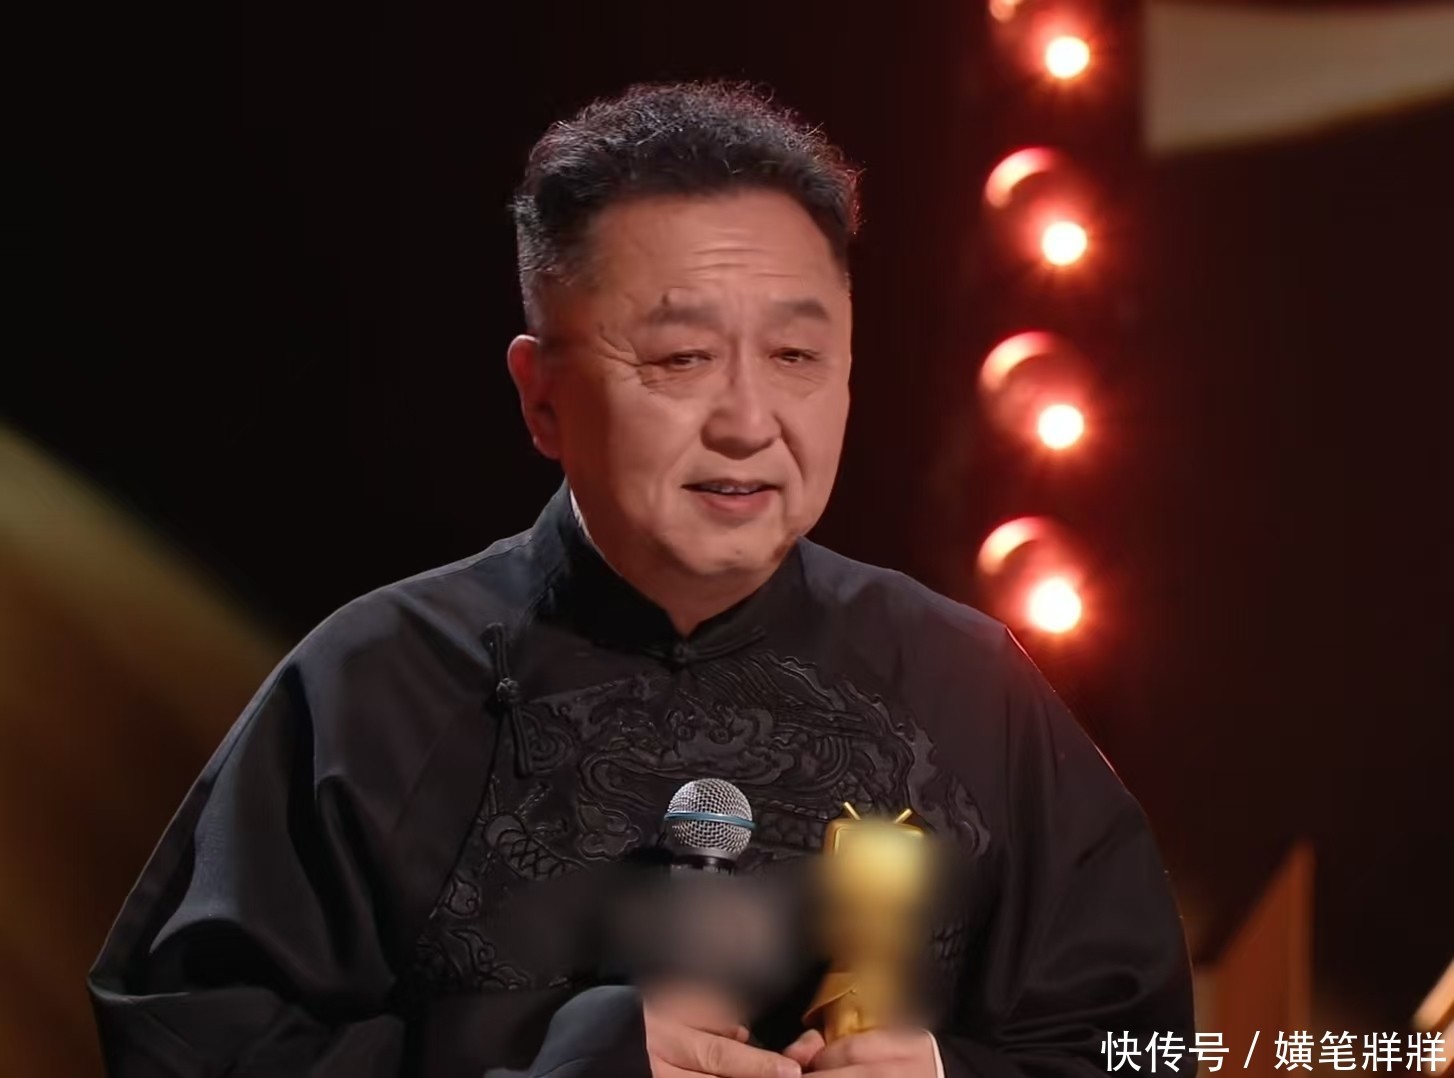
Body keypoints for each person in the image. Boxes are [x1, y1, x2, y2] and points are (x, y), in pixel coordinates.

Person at [89, 81, 1194, 1078]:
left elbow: (1138, 1047)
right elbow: (185, 1041)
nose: (749, 420)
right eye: (680, 358)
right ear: (541, 396)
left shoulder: (970, 686)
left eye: (796, 356)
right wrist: (551, 1059)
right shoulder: (372, 687)